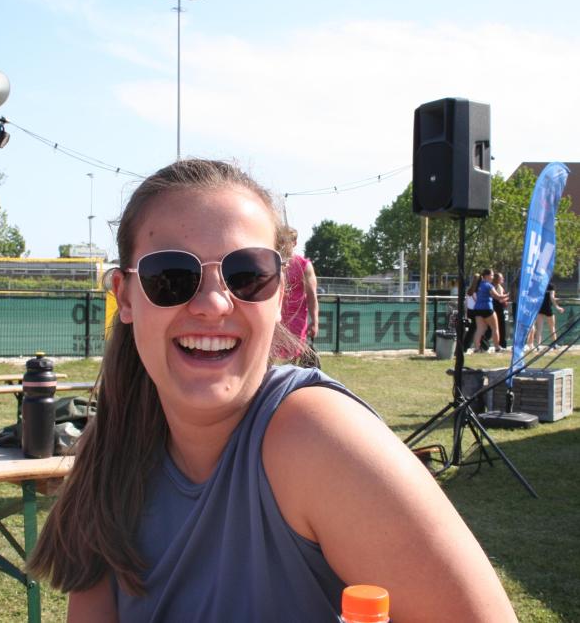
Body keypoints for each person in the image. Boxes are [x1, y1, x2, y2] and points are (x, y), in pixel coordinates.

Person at [28, 159, 517, 622]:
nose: (214, 303)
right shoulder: (108, 453)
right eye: (171, 276)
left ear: (281, 294)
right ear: (125, 296)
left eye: (247, 275)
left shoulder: (316, 438)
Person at [280, 227, 319, 365]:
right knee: (270, 354)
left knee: (292, 355)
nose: (283, 245)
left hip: (296, 318)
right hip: (276, 316)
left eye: (286, 241)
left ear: (294, 243)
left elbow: (312, 296)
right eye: (281, 241)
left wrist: (315, 321)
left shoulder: (304, 265)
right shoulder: (273, 262)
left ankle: (291, 374)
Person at [473, 268, 509, 353]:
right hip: (487, 308)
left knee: (479, 329)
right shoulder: (488, 285)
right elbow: (498, 297)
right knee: (495, 328)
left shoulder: (479, 285)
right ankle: (497, 347)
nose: (493, 277)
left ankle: (477, 349)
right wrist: (507, 295)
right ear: (487, 276)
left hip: (477, 309)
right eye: (492, 275)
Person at [536, 282, 565, 348]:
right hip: (547, 308)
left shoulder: (539, 284)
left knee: (539, 328)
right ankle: (554, 344)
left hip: (539, 308)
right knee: (552, 327)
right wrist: (557, 307)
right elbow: (552, 297)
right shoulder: (551, 285)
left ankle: (538, 346)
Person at [492, 271, 508, 348]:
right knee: (501, 326)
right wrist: (507, 297)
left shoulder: (494, 286)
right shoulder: (498, 287)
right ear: (498, 279)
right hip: (498, 308)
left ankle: (500, 343)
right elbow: (500, 299)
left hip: (495, 308)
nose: (503, 279)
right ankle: (502, 343)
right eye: (501, 278)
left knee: (494, 327)